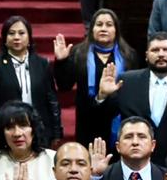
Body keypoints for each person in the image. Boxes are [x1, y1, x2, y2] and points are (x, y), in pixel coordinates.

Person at [100, 33, 167, 164]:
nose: (161, 54)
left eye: (166, 50)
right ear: (146, 55)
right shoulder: (127, 81)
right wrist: (103, 96)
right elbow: (104, 119)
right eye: (155, 50)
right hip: (134, 162)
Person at [53, 7, 138, 144]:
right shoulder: (79, 53)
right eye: (99, 24)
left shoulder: (129, 55)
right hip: (88, 120)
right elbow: (64, 86)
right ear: (92, 29)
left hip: (118, 118)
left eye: (109, 25)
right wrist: (62, 61)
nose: (103, 28)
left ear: (116, 30)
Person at [0, 15, 64, 143]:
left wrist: (56, 132)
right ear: (5, 39)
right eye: (11, 33)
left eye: (21, 33)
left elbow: (52, 99)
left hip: (39, 128)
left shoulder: (41, 63)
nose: (16, 37)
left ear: (29, 38)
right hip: (9, 129)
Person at [92, 115, 167, 180]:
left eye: (142, 136)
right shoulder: (104, 177)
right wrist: (95, 176)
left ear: (153, 145)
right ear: (118, 147)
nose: (135, 142)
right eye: (128, 137)